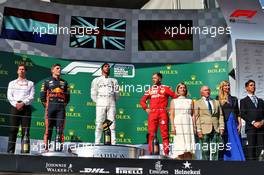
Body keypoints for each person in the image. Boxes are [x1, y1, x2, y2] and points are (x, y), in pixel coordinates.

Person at [140, 72, 177, 156]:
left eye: (155, 78)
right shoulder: (150, 90)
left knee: (165, 134)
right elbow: (142, 101)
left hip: (163, 112)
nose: (153, 80)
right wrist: (146, 108)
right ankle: (151, 153)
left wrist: (171, 107)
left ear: (160, 79)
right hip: (153, 113)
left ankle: (166, 153)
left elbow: (175, 97)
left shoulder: (166, 88)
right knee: (151, 134)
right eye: (153, 78)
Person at [40, 63, 70, 152]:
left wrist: (62, 105)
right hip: (50, 108)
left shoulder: (65, 82)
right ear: (52, 70)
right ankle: (46, 149)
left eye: (60, 68)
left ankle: (58, 149)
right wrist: (48, 106)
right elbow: (42, 96)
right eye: (57, 68)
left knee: (59, 129)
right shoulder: (46, 82)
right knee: (48, 129)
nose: (59, 70)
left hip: (61, 109)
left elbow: (67, 97)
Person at [7, 64, 35, 153]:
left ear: (25, 71)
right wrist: (16, 104)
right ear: (17, 71)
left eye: (23, 69)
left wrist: (23, 103)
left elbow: (32, 97)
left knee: (25, 131)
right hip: (14, 107)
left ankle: (25, 152)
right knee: (13, 130)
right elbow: (9, 96)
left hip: (26, 108)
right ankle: (10, 152)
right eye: (20, 69)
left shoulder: (30, 83)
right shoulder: (12, 83)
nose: (21, 70)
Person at [91, 63, 119, 145]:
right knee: (99, 123)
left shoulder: (114, 80)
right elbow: (93, 93)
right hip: (100, 101)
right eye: (105, 66)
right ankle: (97, 143)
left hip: (111, 101)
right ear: (102, 69)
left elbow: (117, 94)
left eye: (108, 67)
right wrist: (99, 101)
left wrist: (112, 100)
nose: (107, 68)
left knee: (112, 123)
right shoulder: (96, 80)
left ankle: (113, 143)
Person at [194, 86, 224, 160]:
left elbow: (220, 115)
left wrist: (222, 127)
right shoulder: (197, 103)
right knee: (205, 150)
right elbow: (196, 117)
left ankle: (214, 166)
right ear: (201, 93)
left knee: (215, 150)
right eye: (205, 90)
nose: (207, 91)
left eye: (208, 90)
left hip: (216, 128)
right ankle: (206, 166)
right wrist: (199, 130)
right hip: (204, 129)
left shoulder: (216, 102)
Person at [217, 80, 245, 161]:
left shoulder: (234, 98)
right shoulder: (218, 99)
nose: (227, 87)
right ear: (221, 87)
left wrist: (239, 124)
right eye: (225, 86)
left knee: (236, 140)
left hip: (234, 123)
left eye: (228, 85)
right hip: (225, 123)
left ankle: (238, 158)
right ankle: (227, 159)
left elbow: (238, 113)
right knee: (227, 140)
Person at [169, 83, 195, 159]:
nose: (182, 89)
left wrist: (194, 126)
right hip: (178, 124)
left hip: (188, 124)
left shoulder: (190, 101)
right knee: (180, 145)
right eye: (180, 87)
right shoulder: (174, 101)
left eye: (184, 88)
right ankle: (179, 164)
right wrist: (172, 127)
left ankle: (189, 164)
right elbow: (172, 115)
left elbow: (193, 114)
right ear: (177, 90)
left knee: (188, 145)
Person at [240, 80, 264, 160]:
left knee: (261, 149)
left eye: (254, 85)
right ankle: (251, 167)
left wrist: (262, 122)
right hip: (251, 128)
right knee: (251, 149)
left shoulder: (261, 101)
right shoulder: (243, 101)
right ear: (246, 88)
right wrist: (253, 123)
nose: (253, 86)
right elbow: (243, 114)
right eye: (251, 85)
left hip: (261, 128)